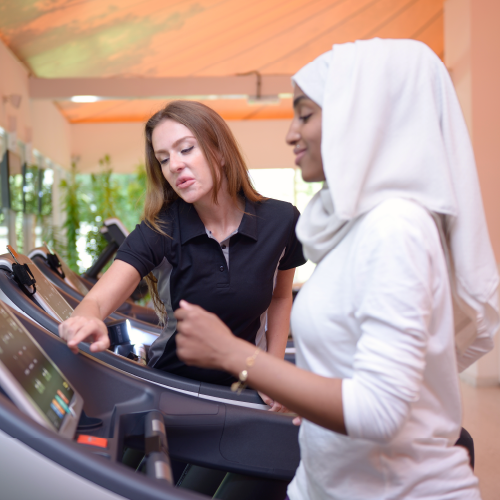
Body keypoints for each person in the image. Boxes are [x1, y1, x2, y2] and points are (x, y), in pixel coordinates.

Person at [172, 39, 499, 499]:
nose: (290, 133)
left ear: (365, 116)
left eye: (305, 115)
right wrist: (314, 394)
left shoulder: (396, 228)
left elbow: (380, 411)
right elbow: (355, 361)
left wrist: (233, 354)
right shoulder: (357, 228)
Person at [58, 101, 306, 406]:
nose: (173, 165)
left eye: (185, 149)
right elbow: (94, 302)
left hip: (246, 388)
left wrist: (274, 369)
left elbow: (281, 297)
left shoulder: (281, 221)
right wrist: (85, 319)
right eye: (163, 159)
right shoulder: (159, 230)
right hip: (173, 388)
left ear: (220, 151)